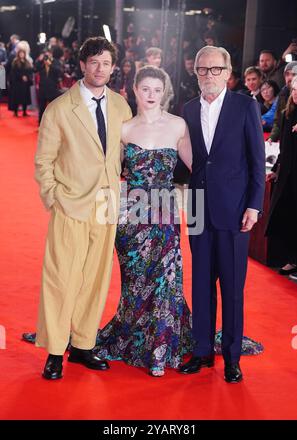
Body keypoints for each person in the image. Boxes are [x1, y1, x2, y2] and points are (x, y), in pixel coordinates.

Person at [34, 36, 132, 380]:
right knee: (61, 279)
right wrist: (54, 197)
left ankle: (83, 344)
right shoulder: (60, 108)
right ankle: (55, 350)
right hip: (71, 205)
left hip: (107, 205)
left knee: (95, 279)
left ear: (112, 67)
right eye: (94, 63)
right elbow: (43, 161)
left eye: (106, 63)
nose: (100, 69)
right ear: (82, 66)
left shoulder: (121, 106)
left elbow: (127, 153)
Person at [94, 65, 194, 377]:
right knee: (136, 286)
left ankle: (159, 353)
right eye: (146, 89)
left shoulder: (178, 126)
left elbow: (200, 167)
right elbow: (106, 172)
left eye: (157, 90)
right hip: (131, 218)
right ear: (135, 90)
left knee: (166, 282)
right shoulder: (123, 129)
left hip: (164, 216)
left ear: (165, 93)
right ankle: (134, 340)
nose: (151, 95)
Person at [180, 46, 265, 383]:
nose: (209, 75)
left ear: (228, 72)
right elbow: (183, 161)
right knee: (201, 284)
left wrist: (254, 205)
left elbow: (257, 162)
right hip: (199, 208)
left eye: (216, 69)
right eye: (203, 70)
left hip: (235, 210)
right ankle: (201, 351)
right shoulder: (186, 110)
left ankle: (231, 357)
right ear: (196, 73)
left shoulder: (246, 106)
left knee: (232, 287)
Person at [266, 74, 297, 279]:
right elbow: (284, 147)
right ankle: (291, 258)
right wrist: (276, 169)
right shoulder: (289, 113)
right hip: (288, 174)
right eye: (295, 89)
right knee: (287, 215)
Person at [10, 49, 33, 117]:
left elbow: (30, 71)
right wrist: (21, 77)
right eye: (20, 53)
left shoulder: (27, 62)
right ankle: (15, 112)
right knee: (17, 98)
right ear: (18, 54)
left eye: (23, 53)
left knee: (25, 98)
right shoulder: (15, 62)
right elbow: (14, 72)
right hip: (17, 83)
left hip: (25, 83)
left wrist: (27, 77)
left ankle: (24, 112)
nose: (21, 54)